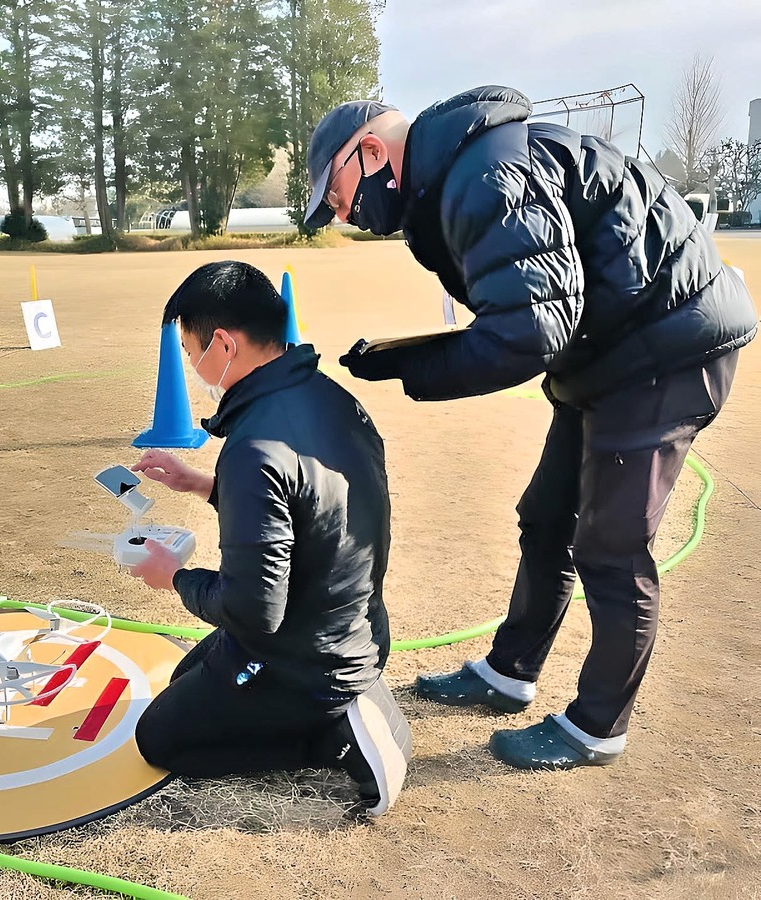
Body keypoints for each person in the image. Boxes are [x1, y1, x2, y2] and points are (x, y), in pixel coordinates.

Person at [303, 87, 756, 770]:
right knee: (547, 520)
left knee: (611, 548)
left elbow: (527, 332)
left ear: (369, 152)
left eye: (336, 197)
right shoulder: (458, 174)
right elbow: (538, 308)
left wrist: (413, 368)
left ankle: (596, 727)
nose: (344, 215)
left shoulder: (482, 178)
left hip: (665, 351)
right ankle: (509, 672)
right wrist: (406, 360)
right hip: (606, 353)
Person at [126, 260, 411, 815]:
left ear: (224, 345)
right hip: (350, 628)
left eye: (191, 351)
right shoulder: (329, 398)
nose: (191, 365)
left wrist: (174, 576)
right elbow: (314, 509)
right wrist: (204, 484)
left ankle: (333, 735)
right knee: (188, 673)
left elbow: (253, 610)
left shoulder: (255, 447)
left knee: (159, 737)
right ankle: (337, 697)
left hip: (306, 662)